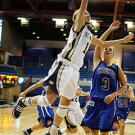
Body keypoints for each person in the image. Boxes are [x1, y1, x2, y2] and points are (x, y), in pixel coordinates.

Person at [12, 0, 134, 134]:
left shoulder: (88, 34)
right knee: (49, 99)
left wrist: (121, 40)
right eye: (85, 14)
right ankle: (24, 102)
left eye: (88, 14)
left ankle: (53, 131)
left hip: (75, 70)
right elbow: (82, 8)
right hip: (65, 65)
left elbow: (102, 43)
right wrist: (84, 5)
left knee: (65, 102)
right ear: (77, 18)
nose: (88, 15)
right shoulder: (78, 27)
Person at [81, 20, 129, 135]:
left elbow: (124, 86)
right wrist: (109, 29)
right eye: (106, 48)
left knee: (104, 132)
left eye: (110, 49)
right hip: (94, 102)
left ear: (113, 54)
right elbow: (99, 43)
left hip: (108, 104)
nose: (107, 49)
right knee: (93, 131)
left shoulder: (116, 68)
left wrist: (114, 95)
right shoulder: (97, 62)